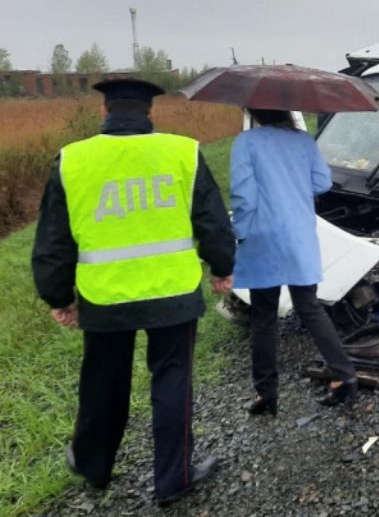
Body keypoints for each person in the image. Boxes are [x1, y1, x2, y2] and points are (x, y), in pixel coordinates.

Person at [31, 78, 236, 506]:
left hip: (105, 297)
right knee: (172, 380)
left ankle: (92, 466)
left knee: (103, 382)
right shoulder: (183, 152)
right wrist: (222, 267)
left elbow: (53, 239)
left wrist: (58, 296)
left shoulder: (72, 159)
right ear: (150, 113)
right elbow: (212, 221)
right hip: (173, 292)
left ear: (104, 112)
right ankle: (174, 478)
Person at [231, 108, 358, 417]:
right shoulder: (304, 141)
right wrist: (293, 188)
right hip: (299, 234)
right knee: (309, 307)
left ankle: (266, 394)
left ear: (255, 112)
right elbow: (322, 182)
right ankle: (344, 376)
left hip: (262, 236)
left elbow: (243, 196)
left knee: (263, 316)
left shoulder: (246, 142)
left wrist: (239, 233)